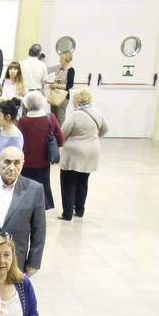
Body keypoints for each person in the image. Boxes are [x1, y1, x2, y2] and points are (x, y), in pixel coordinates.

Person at [0, 147, 46, 275]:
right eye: (7, 162)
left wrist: (34, 262)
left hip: (16, 260)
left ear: (22, 164)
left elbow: (39, 229)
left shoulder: (35, 189)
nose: (11, 167)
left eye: (16, 163)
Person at [58, 88, 108, 221]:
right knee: (83, 181)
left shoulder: (75, 115)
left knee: (68, 182)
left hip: (74, 153)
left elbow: (62, 133)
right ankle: (80, 210)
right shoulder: (97, 112)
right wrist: (94, 138)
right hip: (92, 151)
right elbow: (105, 129)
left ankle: (67, 213)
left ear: (78, 100)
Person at [16, 92, 63, 210]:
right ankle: (44, 205)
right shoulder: (50, 118)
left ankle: (27, 206)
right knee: (44, 184)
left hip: (26, 160)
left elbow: (18, 140)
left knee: (26, 185)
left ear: (27, 104)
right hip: (44, 159)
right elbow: (60, 138)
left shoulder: (22, 121)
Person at [47, 50, 76, 124]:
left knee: (60, 117)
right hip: (55, 95)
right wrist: (53, 85)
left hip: (63, 97)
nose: (59, 60)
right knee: (53, 117)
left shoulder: (71, 70)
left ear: (66, 59)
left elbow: (69, 85)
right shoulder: (60, 68)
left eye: (61, 59)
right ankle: (54, 134)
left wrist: (56, 85)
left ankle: (62, 134)